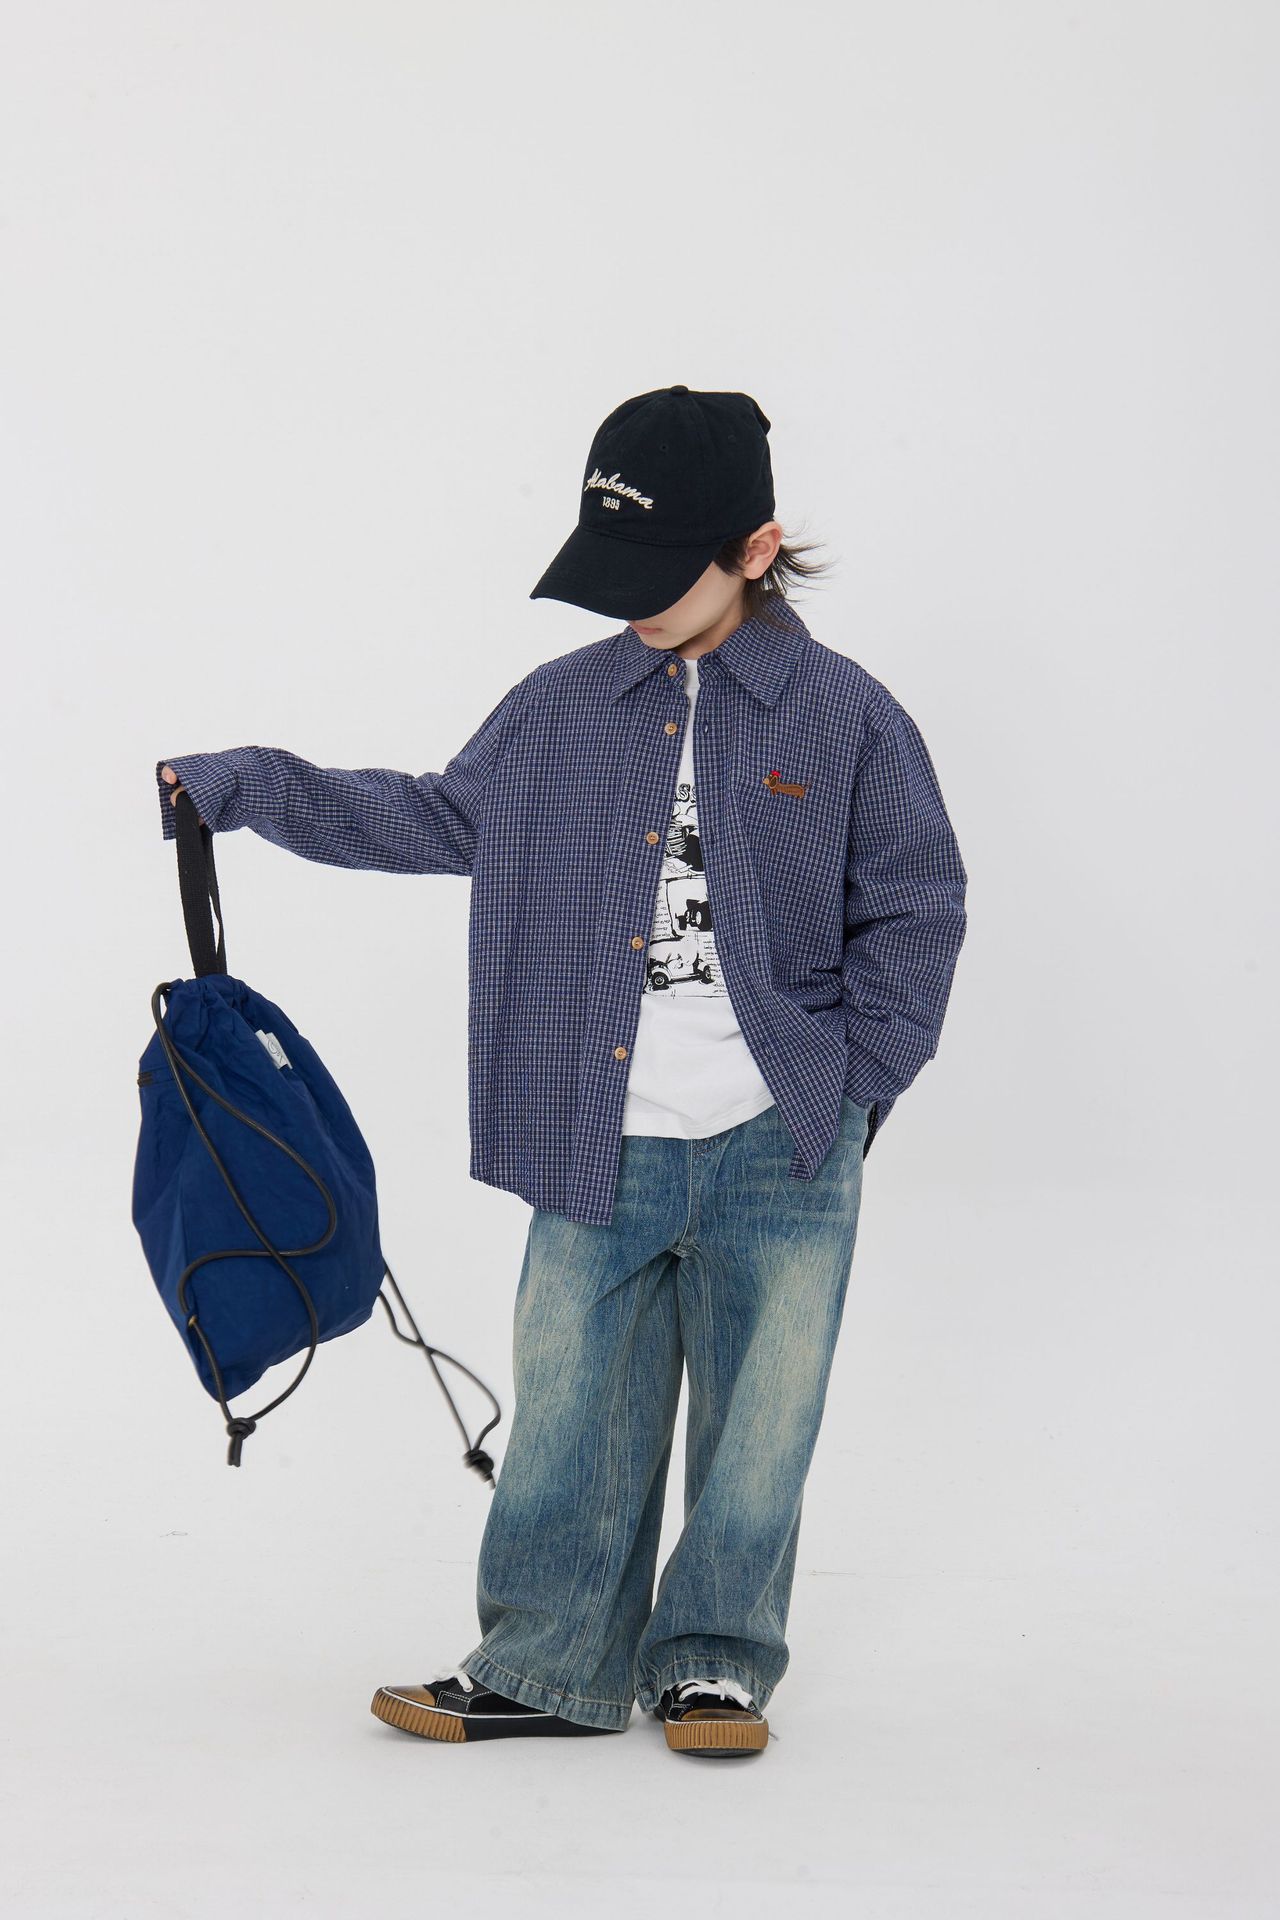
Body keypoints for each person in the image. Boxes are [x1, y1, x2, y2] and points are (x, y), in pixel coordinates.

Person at [157, 384, 968, 1758]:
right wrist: (252, 786)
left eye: (660, 574)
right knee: (572, 1413)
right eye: (611, 572)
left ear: (756, 551)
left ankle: (714, 1665)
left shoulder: (851, 720)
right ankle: (546, 1662)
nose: (628, 605)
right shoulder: (559, 710)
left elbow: (914, 902)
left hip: (783, 1138)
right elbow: (433, 817)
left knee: (763, 1426)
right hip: (598, 1134)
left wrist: (854, 1086)